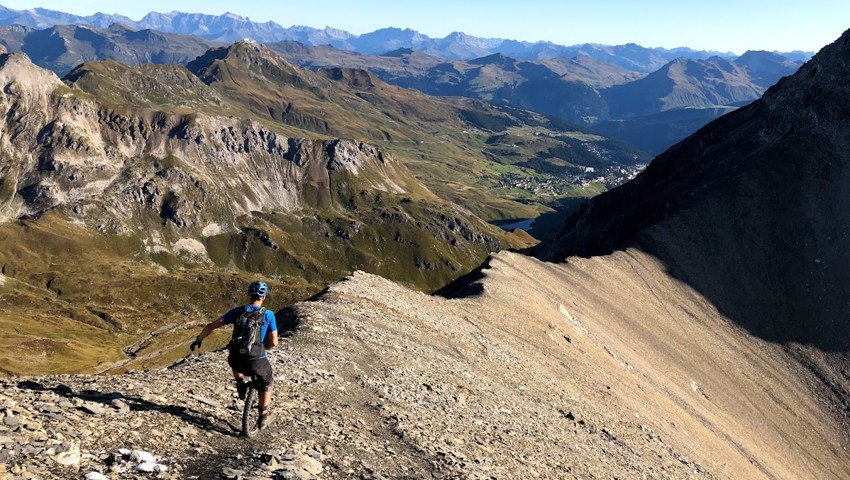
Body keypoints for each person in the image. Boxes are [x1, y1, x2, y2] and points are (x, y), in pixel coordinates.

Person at [190, 280, 278, 429]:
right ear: (263, 297)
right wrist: (265, 348)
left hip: (236, 358)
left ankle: (240, 383)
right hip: (256, 358)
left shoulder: (237, 311)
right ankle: (263, 415)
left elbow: (211, 325)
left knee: (234, 356)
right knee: (267, 381)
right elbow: (274, 342)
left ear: (249, 295)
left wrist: (199, 339)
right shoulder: (268, 314)